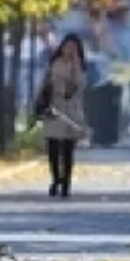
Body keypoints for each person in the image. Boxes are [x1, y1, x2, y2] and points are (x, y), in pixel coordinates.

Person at [33, 33, 90, 198]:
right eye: (67, 46)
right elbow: (45, 83)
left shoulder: (80, 67)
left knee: (67, 149)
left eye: (73, 48)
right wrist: (39, 102)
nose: (69, 50)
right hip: (54, 108)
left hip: (71, 110)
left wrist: (75, 65)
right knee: (52, 147)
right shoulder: (54, 63)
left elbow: (77, 86)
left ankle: (66, 183)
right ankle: (56, 178)